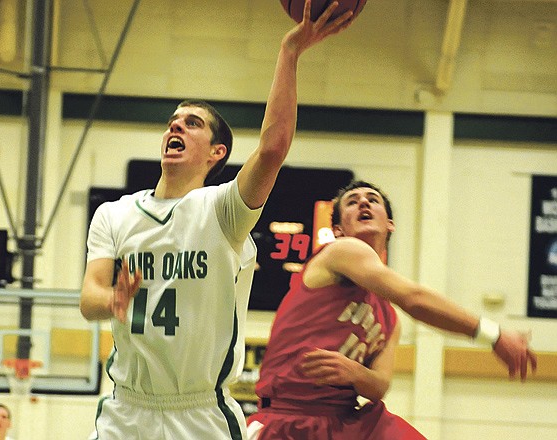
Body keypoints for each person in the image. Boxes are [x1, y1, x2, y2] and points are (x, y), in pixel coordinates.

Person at [79, 2, 354, 439]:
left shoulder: (223, 210)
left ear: (216, 152)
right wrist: (112, 300)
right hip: (126, 410)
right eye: (173, 122)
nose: (177, 128)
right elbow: (89, 295)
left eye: (192, 124)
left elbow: (273, 148)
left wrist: (289, 52)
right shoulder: (114, 214)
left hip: (199, 413)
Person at [246, 180, 538, 439]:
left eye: (373, 200)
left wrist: (355, 373)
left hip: (346, 420)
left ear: (390, 224)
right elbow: (415, 298)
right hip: (288, 419)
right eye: (353, 201)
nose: (363, 202)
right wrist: (494, 334)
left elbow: (379, 386)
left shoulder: (388, 318)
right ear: (337, 229)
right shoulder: (341, 251)